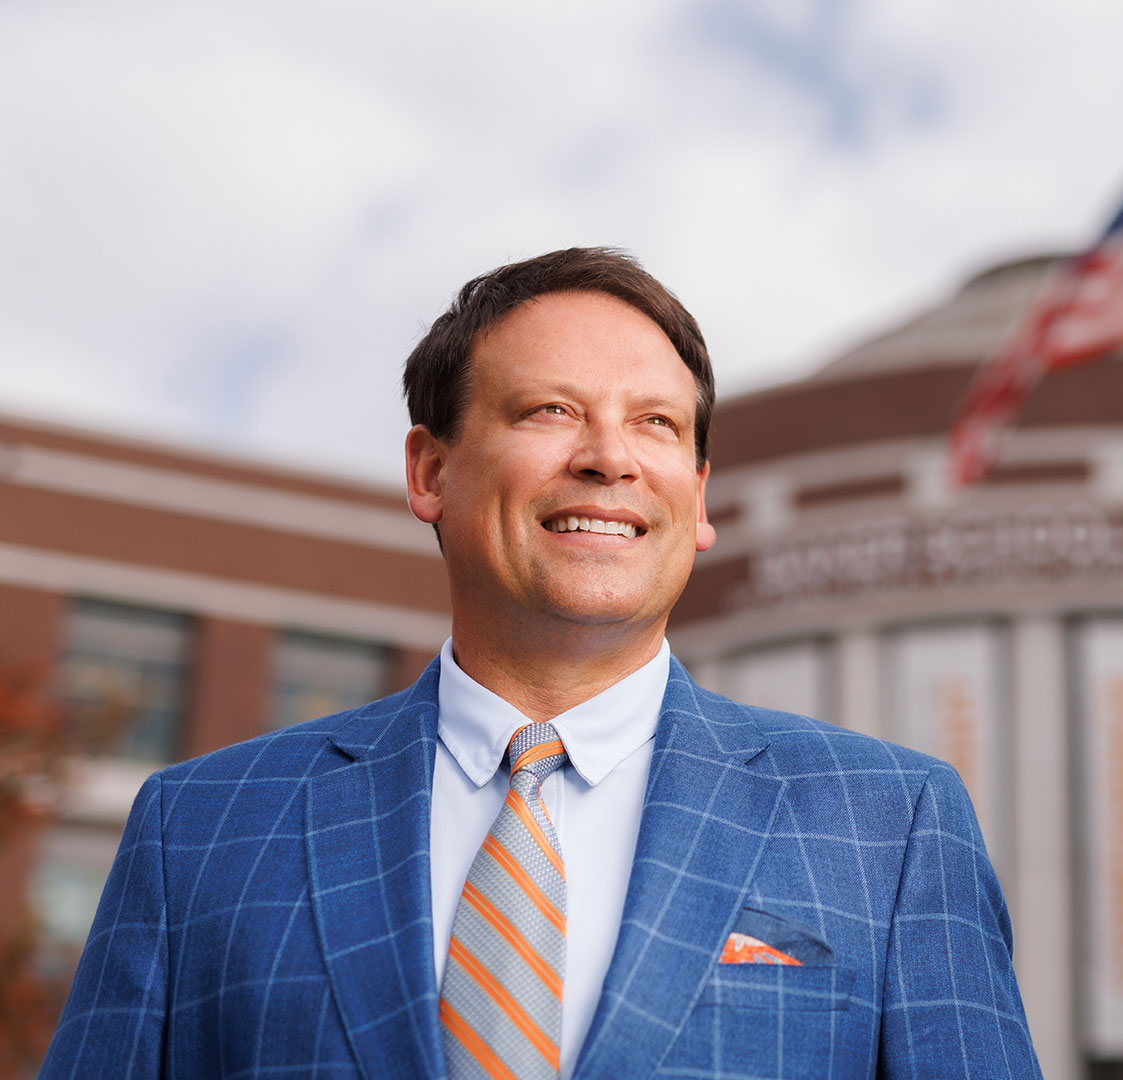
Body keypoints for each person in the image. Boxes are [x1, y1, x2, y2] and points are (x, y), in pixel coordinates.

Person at [42, 248, 1041, 1079]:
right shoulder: (200, 834)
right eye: (550, 411)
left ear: (697, 501)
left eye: (656, 422)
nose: (610, 457)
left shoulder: (891, 825)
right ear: (430, 471)